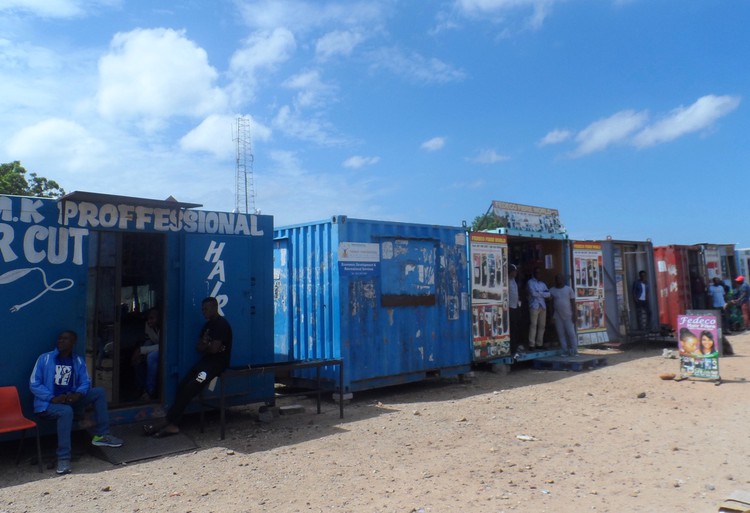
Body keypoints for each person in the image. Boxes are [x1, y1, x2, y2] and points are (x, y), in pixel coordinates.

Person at [29, 330, 124, 475]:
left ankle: (101, 436)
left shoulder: (77, 360)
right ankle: (63, 458)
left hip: (70, 400)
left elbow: (85, 381)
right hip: (48, 404)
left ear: (73, 343)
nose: (61, 341)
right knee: (66, 412)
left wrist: (78, 394)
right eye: (60, 338)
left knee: (99, 392)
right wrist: (51, 397)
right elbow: (34, 384)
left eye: (65, 339)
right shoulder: (45, 359)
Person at [144, 297, 232, 438]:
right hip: (205, 363)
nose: (203, 312)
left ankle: (166, 421)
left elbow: (215, 350)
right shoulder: (207, 326)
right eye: (202, 309)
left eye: (206, 309)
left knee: (191, 388)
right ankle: (174, 425)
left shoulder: (222, 325)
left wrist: (207, 346)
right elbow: (199, 347)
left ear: (215, 308)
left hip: (216, 365)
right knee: (182, 386)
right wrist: (207, 346)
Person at [132, 308, 161, 400]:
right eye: (148, 319)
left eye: (152, 318)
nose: (149, 321)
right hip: (154, 346)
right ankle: (140, 388)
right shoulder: (148, 325)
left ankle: (150, 391)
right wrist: (141, 352)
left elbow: (164, 346)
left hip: (164, 351)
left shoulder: (164, 327)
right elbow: (148, 340)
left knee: (151, 357)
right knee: (139, 360)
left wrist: (143, 350)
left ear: (159, 318)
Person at [549, 274, 578, 356]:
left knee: (571, 333)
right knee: (561, 334)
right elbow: (551, 305)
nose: (559, 280)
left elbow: (573, 302)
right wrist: (551, 316)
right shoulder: (552, 290)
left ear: (563, 280)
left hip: (568, 315)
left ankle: (574, 351)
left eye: (560, 279)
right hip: (557, 316)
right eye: (557, 279)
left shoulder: (569, 289)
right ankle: (565, 351)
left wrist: (575, 314)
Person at [527, 267, 550, 350]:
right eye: (537, 273)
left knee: (542, 325)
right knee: (533, 325)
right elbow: (533, 293)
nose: (539, 274)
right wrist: (543, 293)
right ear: (534, 273)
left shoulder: (542, 284)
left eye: (540, 273)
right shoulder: (530, 282)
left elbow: (548, 294)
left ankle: (539, 343)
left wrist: (539, 293)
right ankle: (531, 344)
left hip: (542, 306)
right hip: (534, 305)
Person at [508, 264, 522, 353]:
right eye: (514, 271)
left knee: (516, 327)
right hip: (510, 307)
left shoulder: (513, 280)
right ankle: (512, 347)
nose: (515, 273)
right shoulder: (507, 281)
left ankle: (515, 345)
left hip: (515, 306)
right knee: (512, 328)